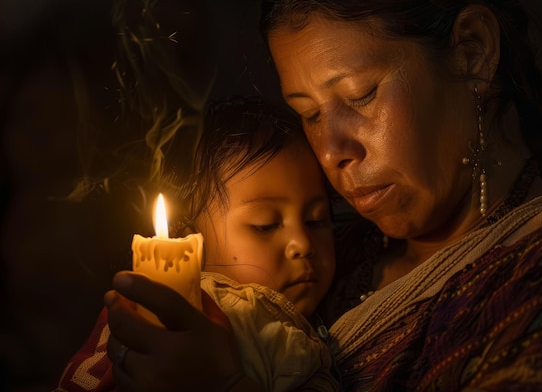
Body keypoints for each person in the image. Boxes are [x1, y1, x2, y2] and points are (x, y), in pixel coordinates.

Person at [102, 0, 542, 391]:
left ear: (471, 51)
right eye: (307, 114)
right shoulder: (329, 258)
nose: (331, 152)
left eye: (360, 96)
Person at [53, 97, 339, 392]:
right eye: (264, 225)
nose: (302, 244)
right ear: (190, 245)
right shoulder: (253, 324)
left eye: (316, 220)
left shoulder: (128, 313)